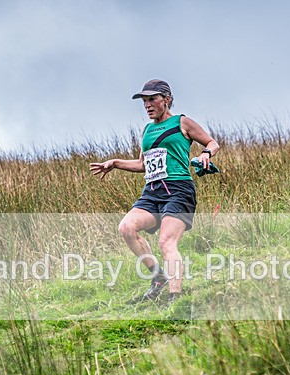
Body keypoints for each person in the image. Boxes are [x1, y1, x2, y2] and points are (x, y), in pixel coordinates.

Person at [90, 79, 219, 304]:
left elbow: (212, 143)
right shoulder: (147, 130)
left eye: (152, 100)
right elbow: (143, 165)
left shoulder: (182, 122)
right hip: (152, 192)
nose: (147, 105)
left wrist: (206, 154)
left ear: (166, 100)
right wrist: (115, 163)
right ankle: (157, 275)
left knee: (166, 243)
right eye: (144, 101)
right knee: (126, 227)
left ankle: (174, 298)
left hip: (178, 190)